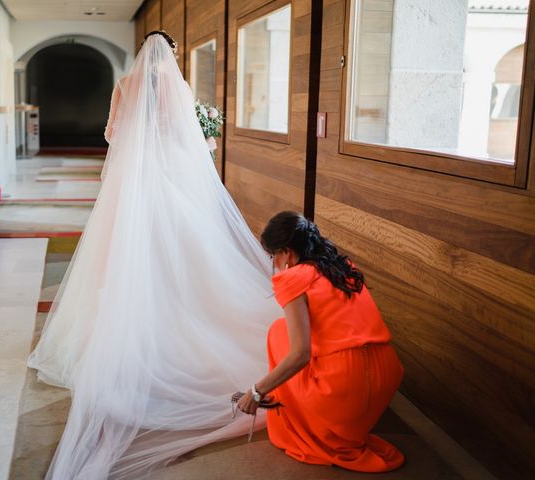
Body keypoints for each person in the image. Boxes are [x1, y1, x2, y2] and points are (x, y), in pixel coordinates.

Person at [27, 31, 281, 479]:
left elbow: (112, 134)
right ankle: (181, 315)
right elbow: (186, 142)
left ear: (143, 51)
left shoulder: (124, 84)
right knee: (184, 255)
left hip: (133, 188)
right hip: (171, 183)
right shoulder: (178, 86)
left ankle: (134, 319)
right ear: (173, 54)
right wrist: (202, 139)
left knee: (127, 254)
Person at [235, 211, 405, 472]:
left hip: (345, 386)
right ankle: (338, 421)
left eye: (273, 256)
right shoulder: (343, 267)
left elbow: (301, 355)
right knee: (284, 330)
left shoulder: (291, 278)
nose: (275, 263)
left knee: (278, 334)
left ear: (288, 253)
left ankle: (310, 425)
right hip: (386, 374)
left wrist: (256, 392)